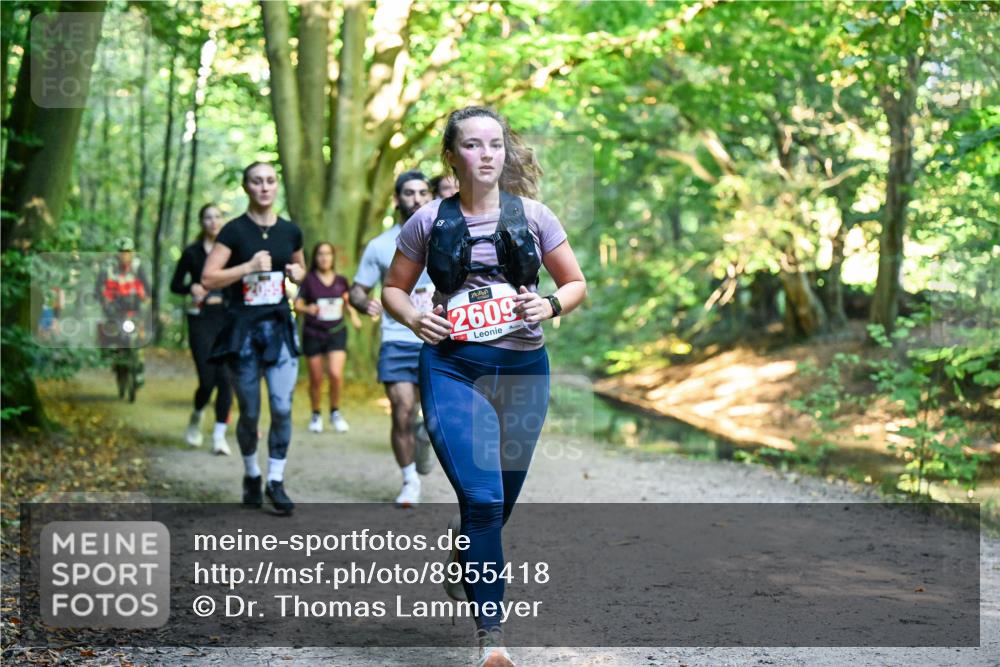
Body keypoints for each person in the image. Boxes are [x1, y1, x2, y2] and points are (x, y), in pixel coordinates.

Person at [383, 106, 587, 667]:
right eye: (473, 145)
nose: (487, 154)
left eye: (495, 143)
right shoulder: (427, 221)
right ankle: (491, 638)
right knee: (483, 499)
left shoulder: (535, 216)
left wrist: (548, 305)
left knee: (500, 505)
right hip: (453, 368)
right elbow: (393, 289)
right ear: (452, 156)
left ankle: (464, 546)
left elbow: (574, 282)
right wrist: (414, 318)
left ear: (506, 151)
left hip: (523, 371)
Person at [201, 162, 306, 515]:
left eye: (270, 181)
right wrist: (247, 267)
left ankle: (275, 480)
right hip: (242, 331)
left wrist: (298, 274)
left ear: (277, 186)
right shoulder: (233, 232)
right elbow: (209, 278)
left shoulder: (290, 231)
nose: (264, 187)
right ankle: (251, 473)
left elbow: (302, 272)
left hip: (278, 328)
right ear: (246, 187)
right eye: (257, 181)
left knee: (282, 406)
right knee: (249, 412)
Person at [349, 170, 435, 508]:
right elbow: (357, 289)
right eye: (409, 193)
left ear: (431, 197)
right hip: (397, 338)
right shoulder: (381, 246)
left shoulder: (449, 239)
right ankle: (410, 480)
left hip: (440, 339)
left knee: (436, 416)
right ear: (397, 199)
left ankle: (425, 436)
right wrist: (364, 302)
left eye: (423, 192)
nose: (417, 199)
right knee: (402, 410)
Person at [170, 203, 234, 455]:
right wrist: (191, 288)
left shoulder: (232, 252)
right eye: (208, 217)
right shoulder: (192, 252)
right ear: (201, 222)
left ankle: (219, 436)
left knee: (226, 379)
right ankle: (196, 417)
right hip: (200, 319)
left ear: (223, 221)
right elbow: (175, 285)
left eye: (217, 217)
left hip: (226, 318)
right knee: (207, 380)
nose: (213, 221)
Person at [294, 242, 362, 434]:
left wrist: (354, 317)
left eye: (328, 254)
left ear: (333, 257)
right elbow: (297, 304)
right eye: (320, 254)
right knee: (316, 378)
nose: (324, 258)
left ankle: (335, 412)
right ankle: (316, 414)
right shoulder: (308, 280)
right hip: (313, 333)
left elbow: (347, 302)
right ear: (315, 258)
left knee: (335, 374)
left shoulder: (341, 281)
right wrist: (308, 308)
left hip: (336, 332)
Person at [96, 237, 150, 395]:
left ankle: (139, 370)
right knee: (110, 335)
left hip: (133, 310)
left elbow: (147, 289)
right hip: (114, 311)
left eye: (127, 252)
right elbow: (98, 289)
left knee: (139, 337)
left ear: (132, 253)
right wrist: (104, 301)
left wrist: (145, 301)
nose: (124, 255)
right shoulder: (108, 268)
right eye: (121, 252)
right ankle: (112, 358)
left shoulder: (138, 267)